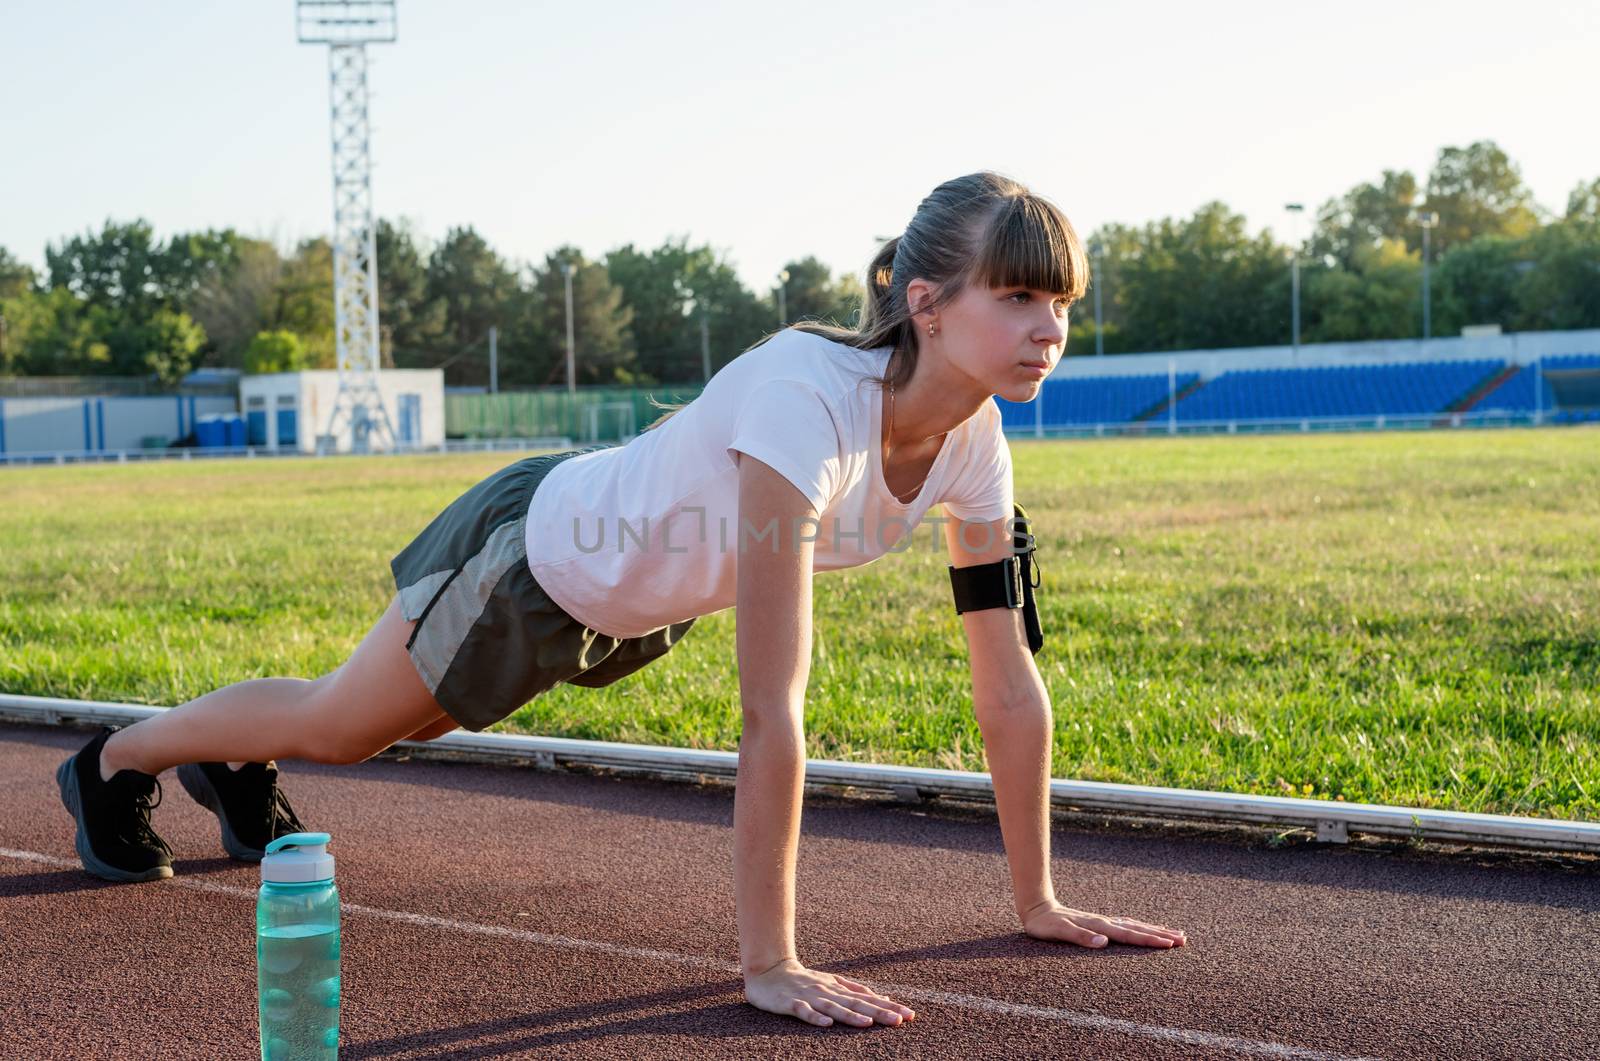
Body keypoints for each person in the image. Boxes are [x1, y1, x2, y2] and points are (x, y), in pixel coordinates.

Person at [57, 171, 1186, 1029]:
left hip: (627, 609)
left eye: (1063, 302)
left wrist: (1037, 894)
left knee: (387, 721)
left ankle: (226, 763)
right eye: (1021, 295)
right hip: (532, 560)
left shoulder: (976, 440)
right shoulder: (808, 397)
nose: (1050, 328)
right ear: (928, 303)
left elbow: (1005, 678)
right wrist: (771, 960)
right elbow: (770, 705)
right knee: (344, 725)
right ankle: (119, 758)